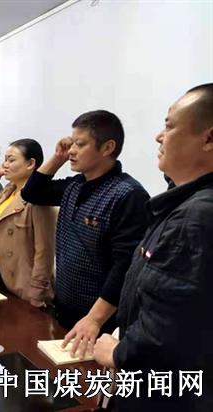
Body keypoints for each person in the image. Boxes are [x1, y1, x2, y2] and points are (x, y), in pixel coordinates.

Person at [94, 84, 213, 412]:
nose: (159, 137)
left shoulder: (196, 216)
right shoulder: (185, 204)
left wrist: (118, 353)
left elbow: (169, 328)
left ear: (209, 139)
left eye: (169, 126)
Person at [21, 110, 150, 358]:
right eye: (71, 144)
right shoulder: (75, 185)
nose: (71, 150)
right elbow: (31, 193)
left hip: (100, 322)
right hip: (64, 308)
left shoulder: (128, 194)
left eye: (80, 144)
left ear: (107, 147)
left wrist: (94, 319)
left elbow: (125, 265)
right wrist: (57, 158)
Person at [0, 139, 56, 306]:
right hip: (0, 269)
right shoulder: (9, 190)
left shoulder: (39, 198)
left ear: (31, 164)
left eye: (11, 160)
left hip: (24, 280)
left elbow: (44, 252)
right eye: (5, 159)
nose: (5, 164)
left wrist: (38, 292)